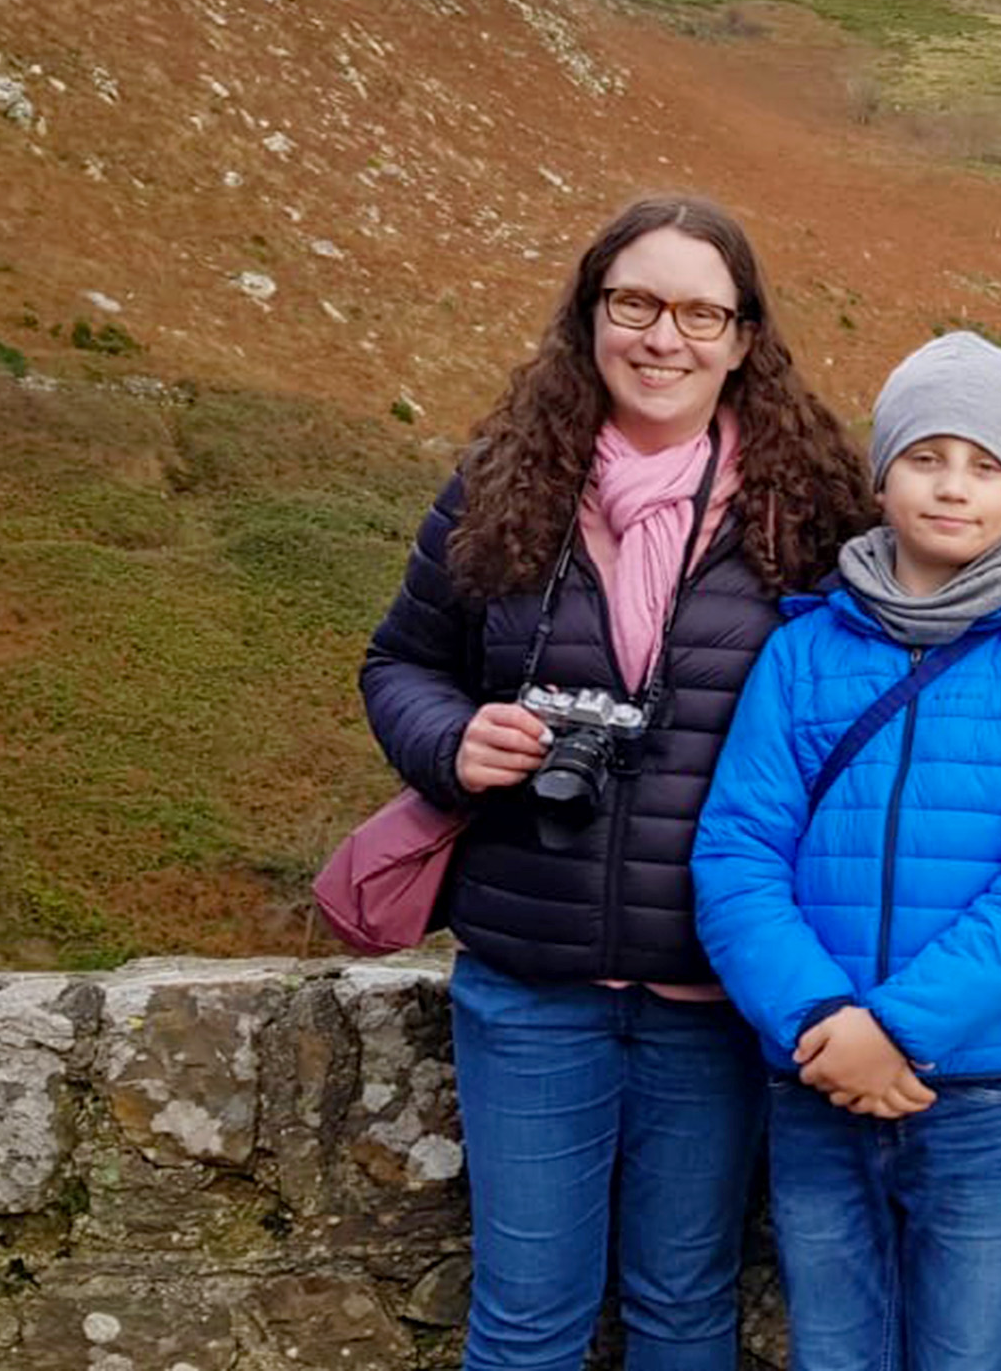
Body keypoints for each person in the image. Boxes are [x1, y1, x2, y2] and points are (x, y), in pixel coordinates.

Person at [359, 194, 871, 1371]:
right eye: (635, 303)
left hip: (715, 982)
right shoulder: (500, 484)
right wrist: (452, 740)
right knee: (529, 1316)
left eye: (702, 312)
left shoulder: (809, 512)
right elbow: (402, 661)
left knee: (683, 1309)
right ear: (589, 316)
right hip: (531, 981)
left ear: (746, 337)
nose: (664, 337)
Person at [693, 330, 1001, 1371]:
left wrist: (895, 1025)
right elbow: (736, 854)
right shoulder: (801, 651)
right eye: (927, 456)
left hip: (982, 1086)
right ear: (883, 472)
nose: (952, 487)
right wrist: (821, 1017)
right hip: (817, 1074)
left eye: (984, 465)